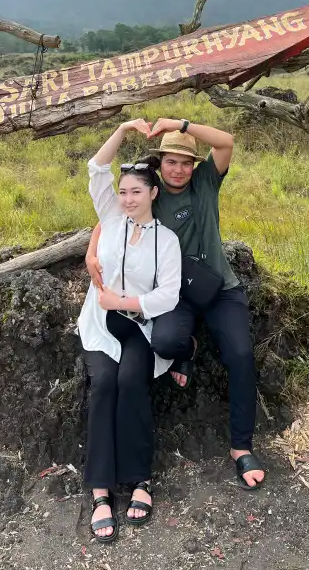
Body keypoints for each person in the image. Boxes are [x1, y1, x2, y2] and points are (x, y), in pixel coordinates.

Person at [86, 118, 266, 490]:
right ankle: (188, 348)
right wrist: (91, 250)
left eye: (186, 162)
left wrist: (180, 124)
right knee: (166, 342)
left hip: (220, 288)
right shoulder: (151, 196)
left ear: (194, 166)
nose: (179, 169)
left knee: (241, 355)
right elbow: (111, 213)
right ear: (160, 164)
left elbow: (226, 141)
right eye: (171, 161)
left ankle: (241, 446)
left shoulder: (205, 181)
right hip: (177, 294)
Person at [78, 118, 182, 543]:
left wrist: (124, 302)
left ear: (153, 193)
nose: (127, 199)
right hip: (101, 324)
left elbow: (169, 294)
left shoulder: (166, 240)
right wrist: (122, 129)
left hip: (139, 326)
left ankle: (140, 478)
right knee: (104, 383)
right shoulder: (110, 217)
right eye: (123, 192)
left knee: (131, 382)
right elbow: (96, 168)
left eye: (136, 192)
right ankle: (100, 490)